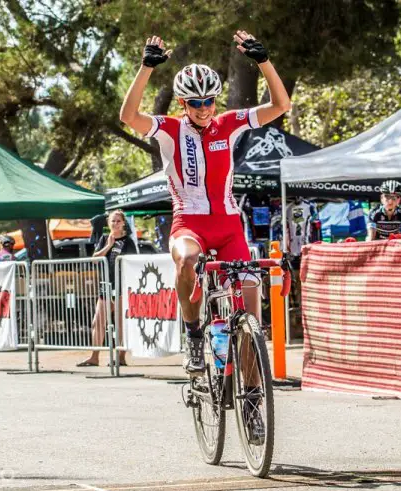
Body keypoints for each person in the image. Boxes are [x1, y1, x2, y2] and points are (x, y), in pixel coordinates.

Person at [119, 31, 290, 378]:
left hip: (227, 226)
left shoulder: (228, 124)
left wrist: (263, 61)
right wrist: (145, 69)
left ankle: (253, 399)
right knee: (187, 259)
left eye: (209, 101)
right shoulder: (168, 128)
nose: (204, 109)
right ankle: (195, 333)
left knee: (251, 313)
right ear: (183, 104)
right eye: (195, 103)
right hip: (189, 224)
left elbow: (281, 106)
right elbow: (128, 116)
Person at [78, 210, 137, 367]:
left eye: (118, 221)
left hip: (121, 287)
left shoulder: (128, 242)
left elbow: (134, 264)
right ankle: (94, 356)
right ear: (108, 223)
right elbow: (94, 260)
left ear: (124, 223)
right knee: (98, 321)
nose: (115, 223)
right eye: (113, 221)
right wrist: (108, 246)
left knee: (120, 323)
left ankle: (121, 356)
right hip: (105, 286)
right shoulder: (104, 239)